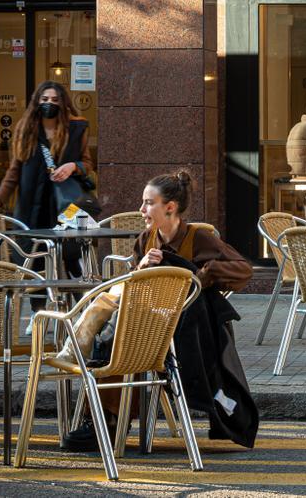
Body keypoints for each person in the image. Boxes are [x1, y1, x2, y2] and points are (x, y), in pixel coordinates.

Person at [62, 171, 256, 451]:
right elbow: (132, 286)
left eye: (148, 203)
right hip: (146, 325)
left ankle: (108, 419)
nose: (141, 210)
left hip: (187, 335)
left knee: (119, 336)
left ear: (170, 207)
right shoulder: (145, 240)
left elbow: (243, 270)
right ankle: (105, 418)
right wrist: (140, 268)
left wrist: (201, 275)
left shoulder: (198, 238)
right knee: (119, 333)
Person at [0, 81, 92, 277]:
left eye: (55, 100)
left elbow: (88, 164)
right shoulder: (26, 130)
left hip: (65, 206)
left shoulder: (76, 129)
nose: (50, 103)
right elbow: (14, 172)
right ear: (37, 102)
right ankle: (37, 305)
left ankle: (74, 303)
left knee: (70, 256)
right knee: (33, 258)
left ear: (63, 103)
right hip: (31, 207)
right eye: (45, 99)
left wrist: (72, 166)